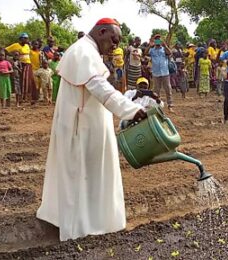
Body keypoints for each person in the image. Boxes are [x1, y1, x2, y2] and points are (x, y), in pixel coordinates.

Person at [36, 18, 147, 241]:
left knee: (83, 175)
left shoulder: (84, 50)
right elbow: (99, 87)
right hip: (82, 127)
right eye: (114, 39)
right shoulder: (83, 52)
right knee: (82, 176)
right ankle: (82, 227)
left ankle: (87, 221)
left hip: (83, 123)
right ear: (102, 31)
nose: (115, 45)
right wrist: (130, 110)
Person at [5, 33, 37, 104]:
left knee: (29, 81)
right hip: (21, 65)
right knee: (22, 81)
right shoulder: (16, 45)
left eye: (27, 38)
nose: (26, 40)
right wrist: (12, 57)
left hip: (28, 64)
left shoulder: (27, 46)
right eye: (25, 38)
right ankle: (21, 98)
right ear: (20, 39)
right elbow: (6, 50)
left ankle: (30, 98)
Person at [145, 34, 173, 110]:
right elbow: (145, 53)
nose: (157, 41)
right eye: (156, 39)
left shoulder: (164, 49)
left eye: (159, 39)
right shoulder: (152, 49)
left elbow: (170, 53)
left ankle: (170, 105)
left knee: (168, 88)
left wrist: (165, 46)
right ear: (154, 40)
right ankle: (158, 105)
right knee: (156, 90)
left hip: (165, 72)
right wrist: (150, 46)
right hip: (156, 72)